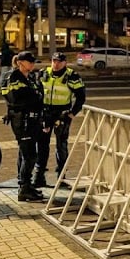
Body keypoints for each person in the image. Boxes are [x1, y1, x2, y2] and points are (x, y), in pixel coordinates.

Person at [36, 53, 86, 187]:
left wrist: (73, 113)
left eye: (59, 62)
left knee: (61, 146)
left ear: (65, 63)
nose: (56, 64)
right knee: (41, 145)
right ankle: (39, 177)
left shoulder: (71, 76)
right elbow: (36, 92)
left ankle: (61, 177)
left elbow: (81, 96)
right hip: (45, 114)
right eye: (54, 61)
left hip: (62, 115)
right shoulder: (43, 73)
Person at [3, 51, 46, 201]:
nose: (33, 64)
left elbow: (38, 96)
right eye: (30, 62)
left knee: (26, 154)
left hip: (31, 120)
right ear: (20, 62)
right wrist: (35, 97)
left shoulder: (30, 77)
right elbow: (18, 99)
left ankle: (26, 185)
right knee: (29, 156)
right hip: (22, 120)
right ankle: (24, 189)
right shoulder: (13, 77)